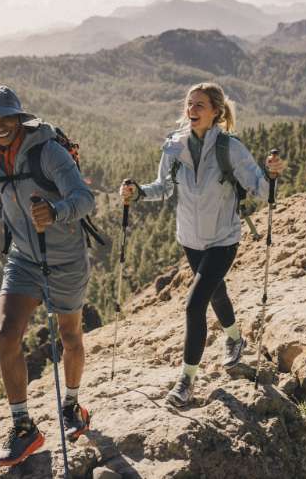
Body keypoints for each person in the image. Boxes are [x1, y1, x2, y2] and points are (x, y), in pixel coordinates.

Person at [0, 85, 93, 466]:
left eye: (6, 118)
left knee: (70, 335)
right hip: (24, 259)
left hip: (65, 259)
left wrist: (56, 211)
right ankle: (24, 428)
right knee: (6, 336)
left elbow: (85, 198)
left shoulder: (49, 152)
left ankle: (72, 406)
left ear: (20, 117)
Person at [120, 82, 286, 407]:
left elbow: (261, 189)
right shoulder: (174, 146)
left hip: (223, 239)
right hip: (191, 240)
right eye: (189, 104)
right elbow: (164, 188)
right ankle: (236, 339)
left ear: (215, 112)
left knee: (194, 304)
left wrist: (273, 175)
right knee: (216, 292)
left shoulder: (230, 148)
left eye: (199, 105)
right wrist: (138, 192)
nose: (191, 110)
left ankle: (186, 380)